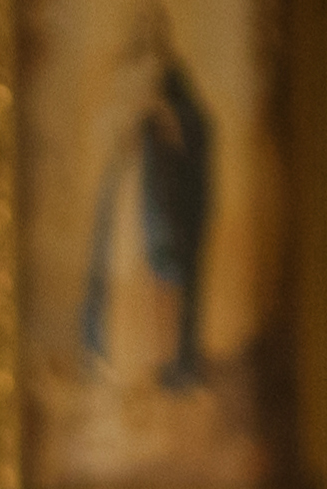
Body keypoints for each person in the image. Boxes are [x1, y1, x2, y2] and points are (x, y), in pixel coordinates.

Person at [76, 3, 219, 394]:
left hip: (161, 187)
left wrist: (167, 119)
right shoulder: (125, 72)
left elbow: (195, 125)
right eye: (143, 27)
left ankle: (166, 359)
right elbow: (110, 126)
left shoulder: (172, 76)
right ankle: (120, 360)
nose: (148, 34)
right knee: (121, 266)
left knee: (163, 269)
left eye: (156, 27)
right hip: (131, 180)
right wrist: (132, 123)